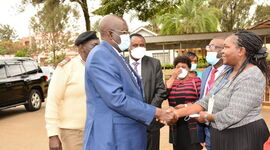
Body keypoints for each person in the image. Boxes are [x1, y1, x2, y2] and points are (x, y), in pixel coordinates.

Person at [83, 14, 176, 150]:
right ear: (110, 33)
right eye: (124, 32)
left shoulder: (115, 55)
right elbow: (116, 99)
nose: (127, 36)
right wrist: (157, 112)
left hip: (125, 135)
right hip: (114, 137)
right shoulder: (101, 55)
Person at [170, 30, 270, 150]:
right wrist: (176, 113)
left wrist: (207, 117)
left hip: (243, 137)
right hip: (223, 135)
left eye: (226, 47)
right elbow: (206, 100)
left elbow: (232, 115)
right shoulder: (227, 72)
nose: (222, 52)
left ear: (241, 51)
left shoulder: (251, 75)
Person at [45, 31, 100, 150]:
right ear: (81, 48)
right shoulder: (66, 68)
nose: (98, 49)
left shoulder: (101, 66)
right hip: (74, 133)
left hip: (98, 130)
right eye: (94, 45)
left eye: (98, 45)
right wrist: (52, 134)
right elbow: (53, 101)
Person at [126, 33, 168, 150]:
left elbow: (161, 90)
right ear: (129, 47)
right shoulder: (121, 63)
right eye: (135, 45)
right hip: (128, 120)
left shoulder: (154, 63)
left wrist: (149, 111)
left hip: (150, 121)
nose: (139, 47)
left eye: (142, 45)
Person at [166, 56, 202, 150]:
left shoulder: (196, 81)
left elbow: (202, 100)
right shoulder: (172, 82)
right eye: (178, 67)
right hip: (176, 125)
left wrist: (186, 106)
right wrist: (173, 77)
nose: (180, 69)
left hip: (192, 124)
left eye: (184, 67)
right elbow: (163, 94)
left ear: (189, 68)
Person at [199, 37, 228, 150]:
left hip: (224, 126)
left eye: (215, 47)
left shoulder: (231, 71)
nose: (210, 50)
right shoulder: (206, 72)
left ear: (224, 51)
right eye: (209, 46)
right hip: (207, 126)